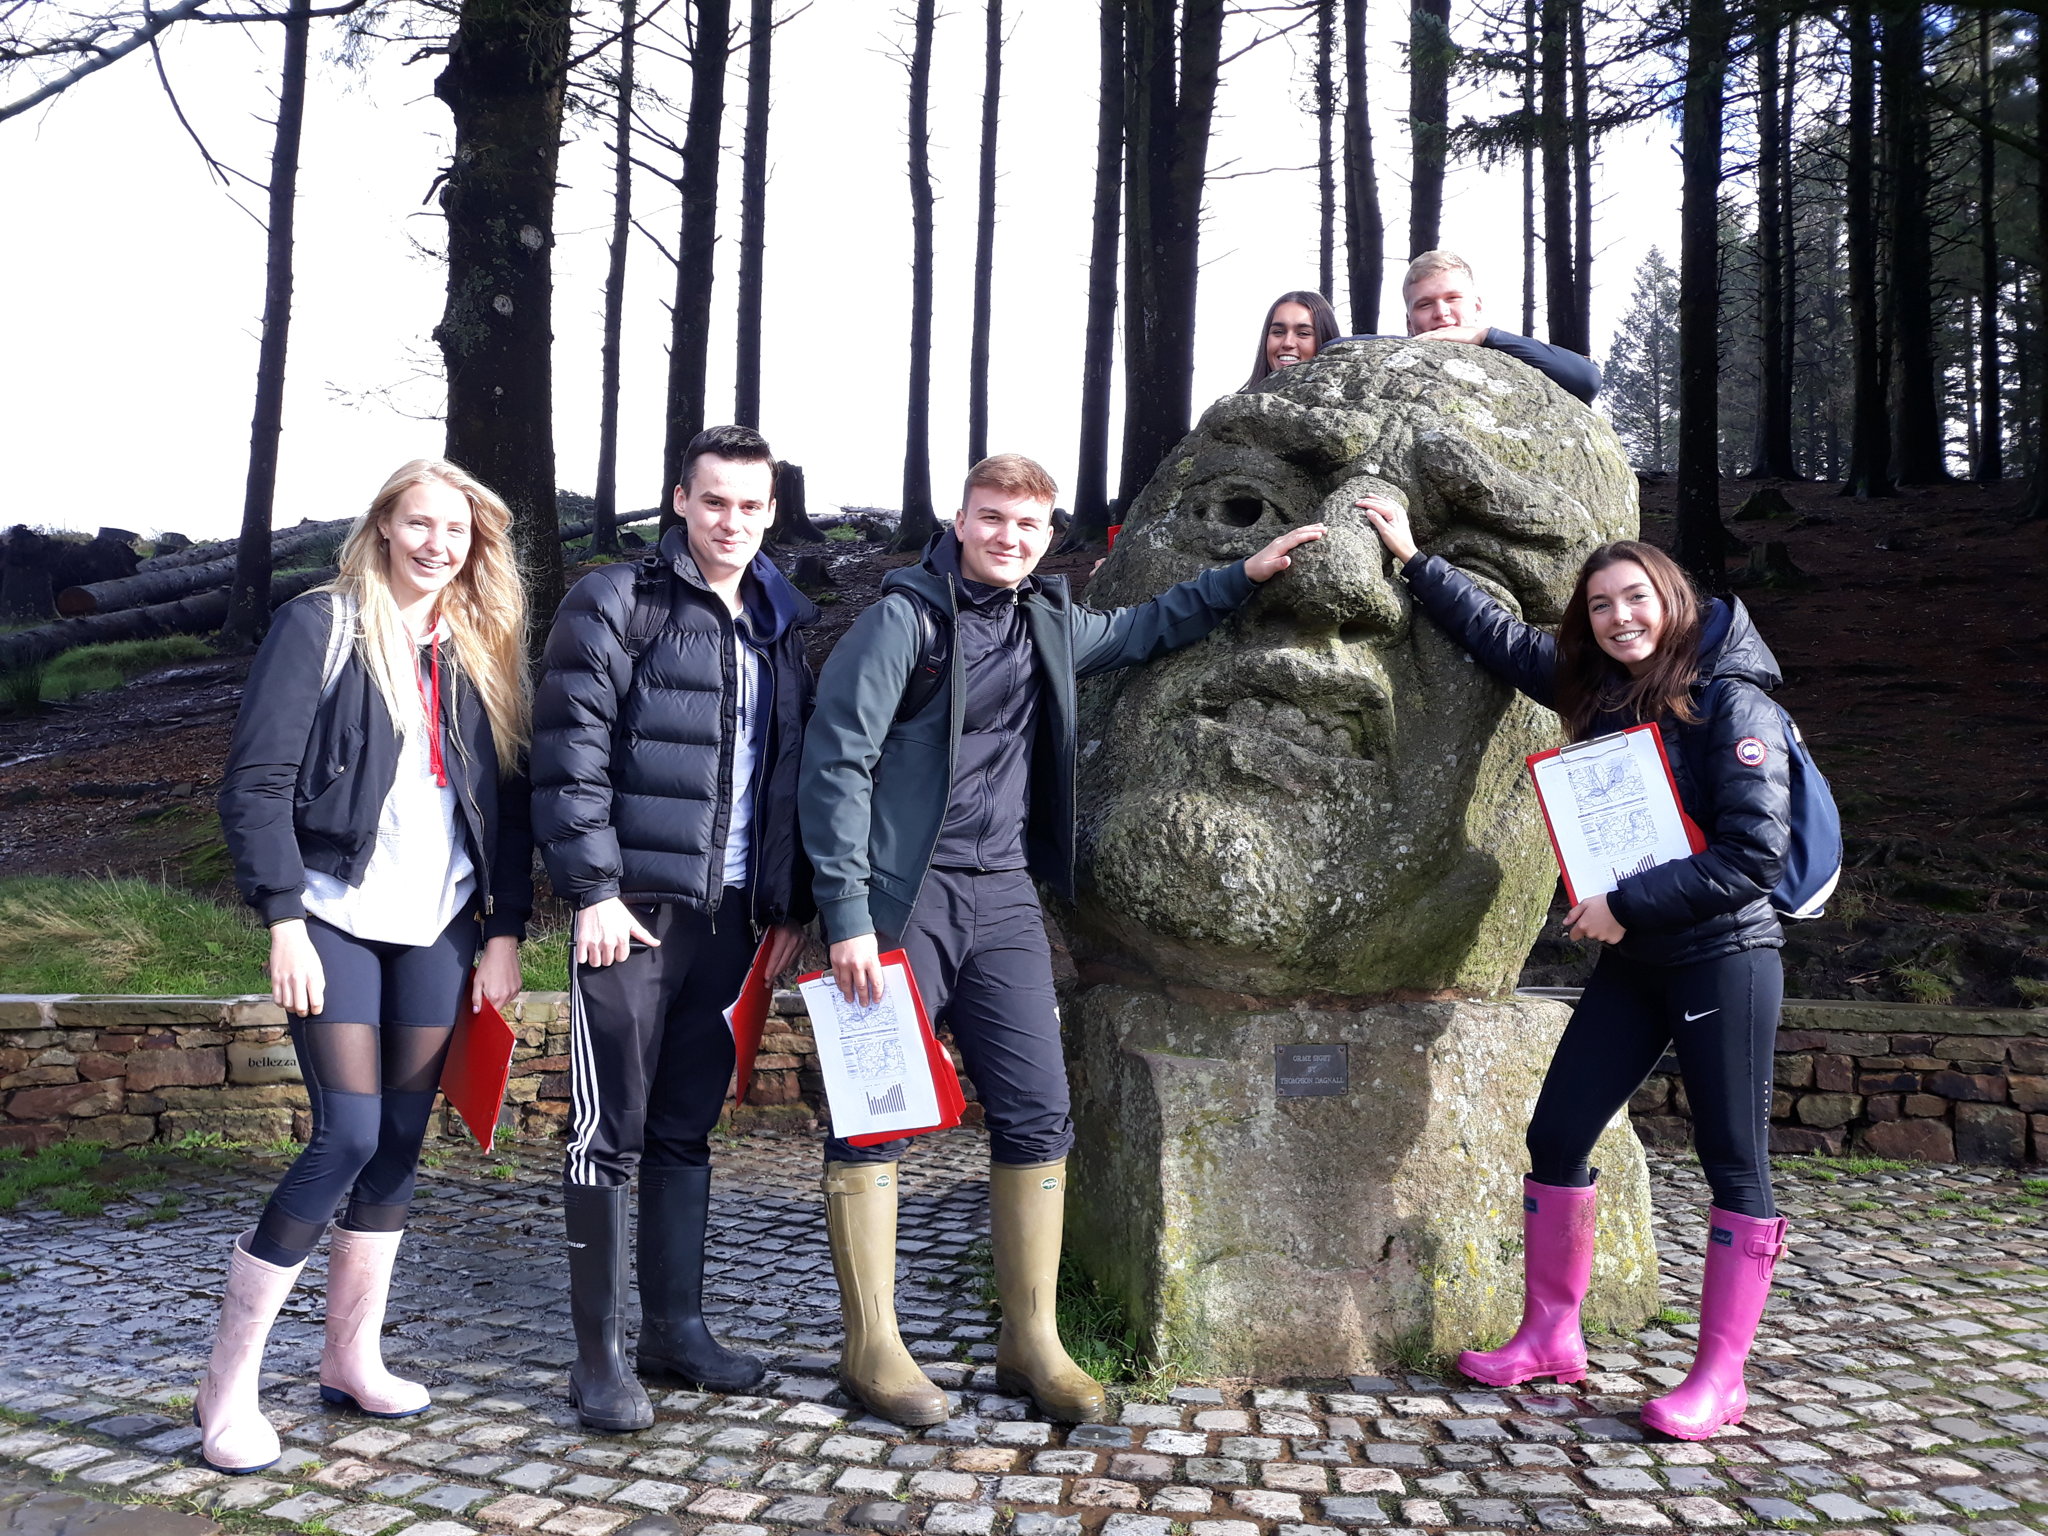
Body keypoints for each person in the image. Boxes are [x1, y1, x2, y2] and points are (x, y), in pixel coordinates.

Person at [800, 452, 1323, 1427]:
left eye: (1027, 525)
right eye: (991, 518)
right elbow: (836, 768)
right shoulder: (899, 622)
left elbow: (1138, 631)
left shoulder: (1043, 619)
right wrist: (847, 918)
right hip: (899, 901)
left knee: (1038, 1113)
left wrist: (1241, 578)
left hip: (1001, 899)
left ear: (1049, 536)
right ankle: (870, 1347)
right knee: (873, 1115)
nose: (1007, 536)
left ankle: (1029, 1340)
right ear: (959, 521)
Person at [1361, 496, 1791, 1442]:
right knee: (1556, 1134)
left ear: (1671, 600)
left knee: (1734, 1161)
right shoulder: (1599, 693)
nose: (1619, 618)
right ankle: (1552, 1335)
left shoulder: (1734, 698)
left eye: (1634, 598)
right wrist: (1412, 558)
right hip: (1638, 962)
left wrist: (1622, 905)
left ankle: (1722, 1377)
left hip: (1726, 957)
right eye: (1600, 606)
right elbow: (1502, 642)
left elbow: (1754, 857)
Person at [208, 458, 533, 1475]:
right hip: (334, 914)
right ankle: (226, 1388)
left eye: (458, 530)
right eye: (420, 523)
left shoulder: (481, 647)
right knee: (344, 1133)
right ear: (385, 525)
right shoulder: (324, 624)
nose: (438, 544)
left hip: (438, 925)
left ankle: (350, 1358)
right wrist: (282, 919)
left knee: (398, 1142)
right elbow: (256, 780)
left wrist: (504, 930)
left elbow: (509, 805)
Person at [530, 424, 815, 1432]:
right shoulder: (617, 602)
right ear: (680, 503)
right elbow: (568, 754)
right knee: (606, 1131)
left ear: (771, 510)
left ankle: (676, 1332)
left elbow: (787, 776)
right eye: (713, 502)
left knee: (686, 1130)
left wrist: (784, 907)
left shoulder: (780, 622)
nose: (730, 521)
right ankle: (598, 1359)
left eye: (750, 504)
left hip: (732, 918)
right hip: (632, 916)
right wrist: (592, 891)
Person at [1328, 250, 1602, 404]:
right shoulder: (1396, 359)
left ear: (1477, 306)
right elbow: (1332, 348)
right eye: (1425, 305)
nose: (1441, 313)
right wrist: (1415, 343)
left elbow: (1587, 380)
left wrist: (1485, 336)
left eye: (1453, 298)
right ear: (1409, 323)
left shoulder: (1514, 355)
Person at [1244, 289, 1341, 390]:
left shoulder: (1352, 403)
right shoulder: (1237, 404)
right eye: (1278, 332)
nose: (1287, 343)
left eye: (1303, 333)